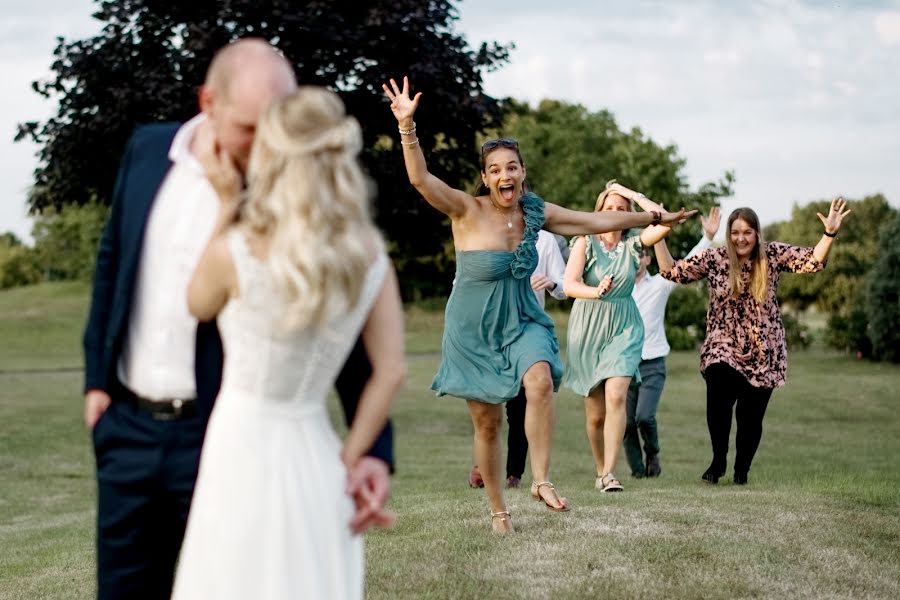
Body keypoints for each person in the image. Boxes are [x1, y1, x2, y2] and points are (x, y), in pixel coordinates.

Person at [82, 39, 394, 600]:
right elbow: (113, 265)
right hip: (125, 429)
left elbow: (333, 335)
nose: (269, 145)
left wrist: (373, 450)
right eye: (253, 127)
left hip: (225, 439)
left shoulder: (290, 201)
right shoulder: (147, 149)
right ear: (209, 102)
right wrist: (96, 387)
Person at [383, 76, 694, 533]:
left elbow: (593, 220)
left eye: (513, 167)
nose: (505, 176)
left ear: (523, 171)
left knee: (541, 379)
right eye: (496, 170)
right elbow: (420, 178)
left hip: (522, 315)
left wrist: (651, 217)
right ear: (486, 177)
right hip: (473, 327)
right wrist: (407, 127)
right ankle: (497, 510)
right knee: (488, 425)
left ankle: (541, 480)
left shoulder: (535, 211)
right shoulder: (467, 210)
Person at [171, 86, 405, 600]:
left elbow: (195, 304)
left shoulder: (235, 251)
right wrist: (351, 457)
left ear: (272, 156)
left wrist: (228, 202)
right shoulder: (368, 256)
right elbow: (390, 371)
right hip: (316, 453)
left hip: (239, 447)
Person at [656, 200, 851, 485]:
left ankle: (741, 471)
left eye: (747, 232)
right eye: (735, 232)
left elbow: (812, 262)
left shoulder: (771, 254)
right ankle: (718, 459)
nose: (741, 238)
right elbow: (672, 271)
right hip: (722, 343)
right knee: (718, 394)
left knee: (750, 417)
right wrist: (659, 234)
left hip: (764, 350)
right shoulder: (716, 258)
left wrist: (829, 234)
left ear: (757, 234)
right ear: (728, 234)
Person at [561, 181, 679, 493]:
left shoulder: (634, 245)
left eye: (622, 210)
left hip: (625, 326)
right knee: (596, 416)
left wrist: (632, 194)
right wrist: (595, 291)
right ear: (598, 213)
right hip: (588, 327)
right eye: (609, 208)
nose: (615, 214)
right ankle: (600, 468)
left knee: (616, 396)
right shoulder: (585, 241)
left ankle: (611, 473)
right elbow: (569, 284)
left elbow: (664, 220)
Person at [624, 207, 721, 479]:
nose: (638, 259)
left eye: (642, 254)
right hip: (624, 364)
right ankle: (638, 472)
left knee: (644, 417)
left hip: (652, 364)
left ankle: (652, 452)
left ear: (646, 259)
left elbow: (686, 265)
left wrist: (708, 237)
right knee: (625, 424)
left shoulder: (659, 284)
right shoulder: (616, 288)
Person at [468, 229, 568, 489]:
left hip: (526, 328)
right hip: (490, 328)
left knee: (520, 407)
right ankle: (482, 465)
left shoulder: (545, 240)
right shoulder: (485, 230)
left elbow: (564, 286)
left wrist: (552, 282)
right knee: (487, 403)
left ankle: (514, 474)